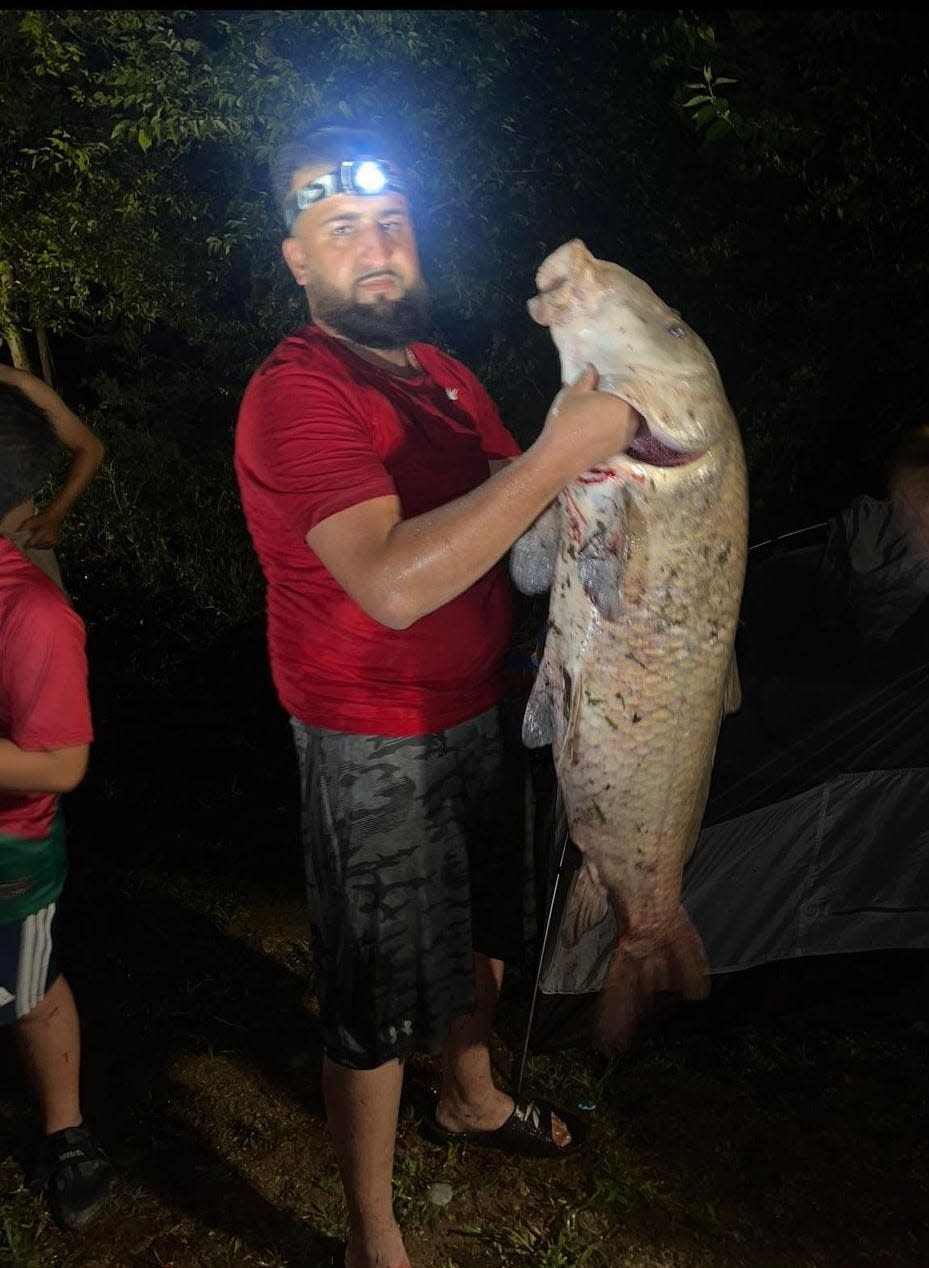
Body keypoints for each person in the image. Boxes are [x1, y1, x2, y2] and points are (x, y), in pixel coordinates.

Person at [233, 123, 638, 1268]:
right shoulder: (296, 393)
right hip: (370, 729)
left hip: (481, 705)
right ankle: (372, 1231)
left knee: (484, 936)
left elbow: (514, 542)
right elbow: (393, 583)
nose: (375, 246)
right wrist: (559, 459)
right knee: (370, 999)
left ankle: (467, 1093)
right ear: (297, 259)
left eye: (392, 225)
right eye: (342, 229)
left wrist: (595, 478)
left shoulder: (448, 376)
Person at [0, 380, 114, 1229]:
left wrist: (53, 521)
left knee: (29, 986)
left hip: (10, 849)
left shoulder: (15, 396)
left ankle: (65, 1129)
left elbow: (60, 762)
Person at [0, 362, 105, 590]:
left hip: (19, 540)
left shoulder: (21, 386)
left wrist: (55, 515)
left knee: (45, 620)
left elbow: (90, 448)